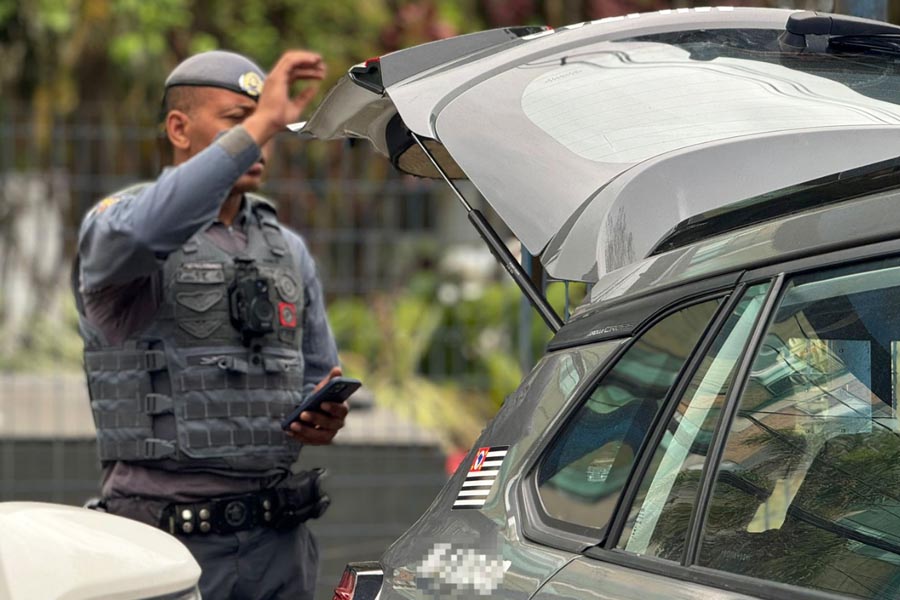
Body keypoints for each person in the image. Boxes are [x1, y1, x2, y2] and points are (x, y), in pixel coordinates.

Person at [72, 48, 348, 600]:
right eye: (237, 120)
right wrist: (266, 119)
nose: (259, 136)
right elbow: (150, 230)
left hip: (278, 547)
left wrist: (323, 413)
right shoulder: (119, 226)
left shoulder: (285, 248)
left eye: (263, 119)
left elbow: (319, 373)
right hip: (165, 549)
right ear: (179, 128)